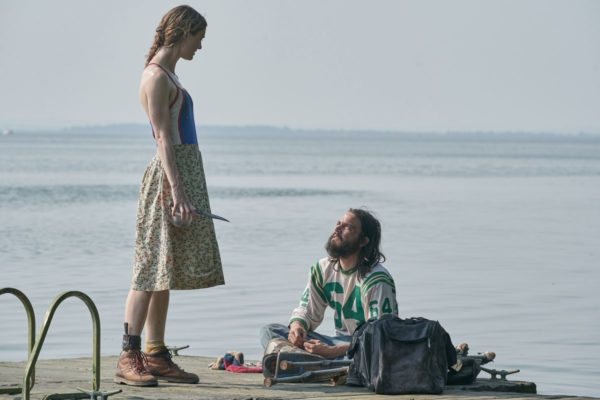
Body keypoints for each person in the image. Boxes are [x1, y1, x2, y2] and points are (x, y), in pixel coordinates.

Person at [115, 5, 225, 387]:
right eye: (200, 38)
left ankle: (156, 353)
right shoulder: (156, 76)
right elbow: (163, 136)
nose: (201, 46)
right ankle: (128, 355)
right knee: (148, 267)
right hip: (168, 176)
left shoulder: (170, 74)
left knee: (165, 268)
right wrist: (176, 188)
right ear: (184, 32)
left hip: (182, 172)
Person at [260, 208, 398, 359]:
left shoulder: (376, 279)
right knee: (270, 331)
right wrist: (297, 328)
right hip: (334, 343)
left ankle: (305, 362)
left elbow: (379, 338)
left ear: (363, 241)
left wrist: (332, 351)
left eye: (348, 227)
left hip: (361, 349)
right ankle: (314, 362)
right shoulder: (323, 269)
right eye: (339, 223)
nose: (337, 229)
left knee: (366, 355)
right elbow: (307, 312)